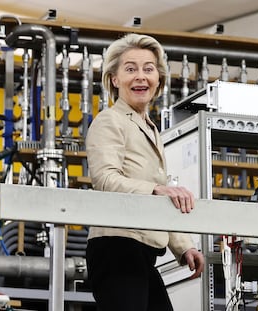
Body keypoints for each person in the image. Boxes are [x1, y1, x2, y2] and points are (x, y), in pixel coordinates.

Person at [85, 33, 204, 311]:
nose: (141, 76)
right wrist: (155, 189)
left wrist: (183, 246)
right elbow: (105, 179)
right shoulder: (110, 120)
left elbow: (160, 200)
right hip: (115, 248)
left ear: (158, 79)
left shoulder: (150, 128)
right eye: (130, 69)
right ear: (114, 79)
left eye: (148, 69)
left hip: (141, 252)